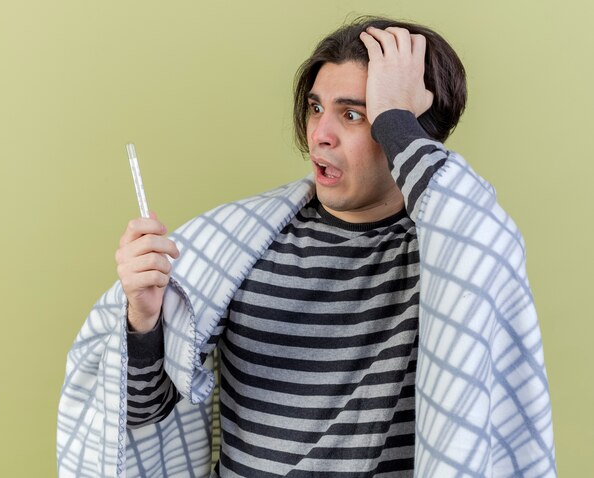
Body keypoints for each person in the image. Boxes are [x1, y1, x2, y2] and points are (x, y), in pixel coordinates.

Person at [57, 16, 556, 478]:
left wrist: (398, 117)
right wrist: (142, 323)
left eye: (356, 115)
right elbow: (137, 416)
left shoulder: (448, 258)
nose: (321, 134)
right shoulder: (235, 245)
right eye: (316, 107)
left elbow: (479, 238)